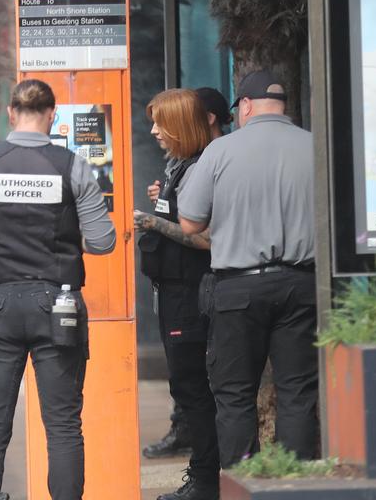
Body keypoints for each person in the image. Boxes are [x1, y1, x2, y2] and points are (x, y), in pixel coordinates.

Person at [0, 79, 117, 500]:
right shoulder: (71, 165)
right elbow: (103, 242)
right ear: (52, 114)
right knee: (62, 424)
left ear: (10, 113)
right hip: (57, 306)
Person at [177, 70, 318, 467]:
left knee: (235, 395)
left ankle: (243, 482)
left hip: (238, 290)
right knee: (297, 392)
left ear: (247, 106)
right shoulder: (314, 146)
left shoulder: (221, 152)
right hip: (301, 284)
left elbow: (189, 222)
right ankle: (296, 486)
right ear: (283, 107)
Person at [133, 89, 220, 500]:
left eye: (160, 123)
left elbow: (204, 237)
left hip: (190, 295)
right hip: (171, 292)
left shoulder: (205, 165)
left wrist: (153, 223)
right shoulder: (181, 165)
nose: (153, 131)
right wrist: (163, 205)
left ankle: (205, 481)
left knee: (193, 388)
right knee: (185, 388)